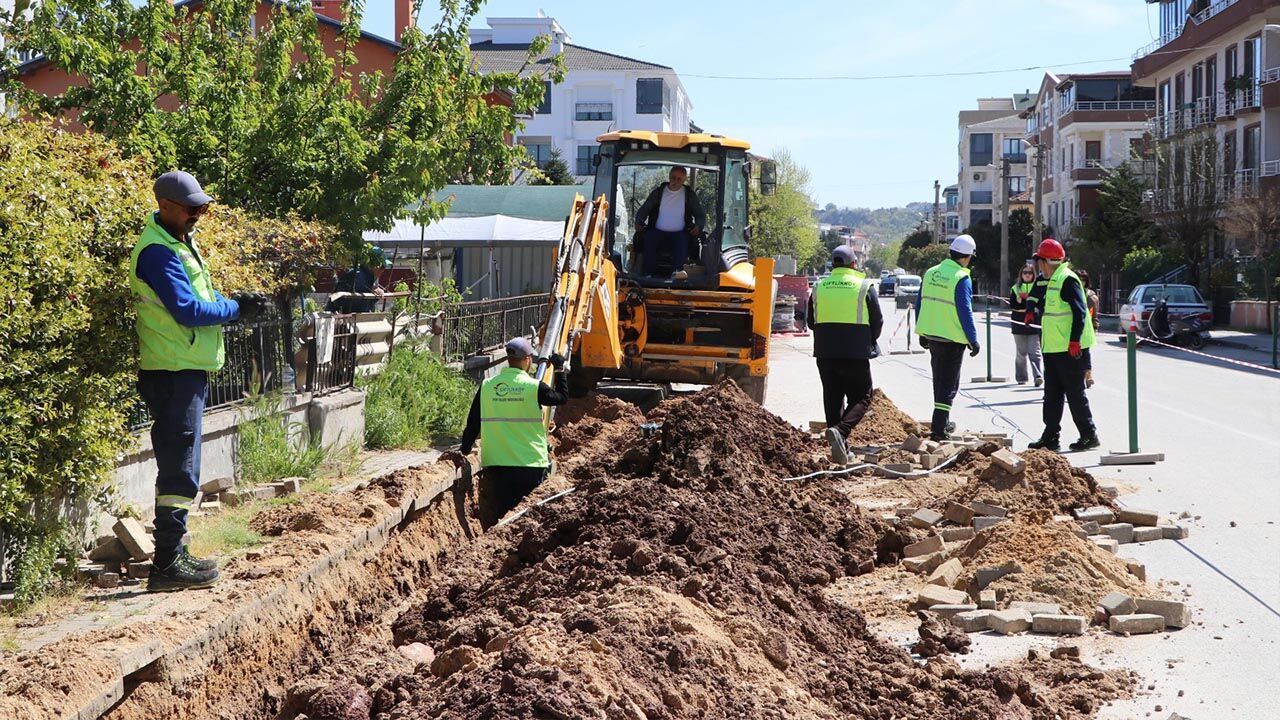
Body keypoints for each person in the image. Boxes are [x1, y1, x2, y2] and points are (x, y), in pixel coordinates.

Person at [131, 171, 267, 592]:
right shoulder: (158, 252)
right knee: (179, 468)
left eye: (201, 208)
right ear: (166, 206)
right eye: (192, 209)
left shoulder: (177, 243)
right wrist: (234, 309)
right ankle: (167, 564)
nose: (198, 215)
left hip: (181, 367)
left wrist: (231, 305)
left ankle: (176, 554)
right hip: (171, 371)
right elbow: (188, 310)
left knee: (183, 464)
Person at [447, 338, 570, 527]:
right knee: (528, 518)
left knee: (504, 516)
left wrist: (464, 450)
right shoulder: (534, 387)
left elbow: (473, 423)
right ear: (528, 359)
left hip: (498, 464)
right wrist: (560, 368)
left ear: (509, 359)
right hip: (530, 463)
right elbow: (561, 397)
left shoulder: (488, 386)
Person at [806, 246, 883, 464]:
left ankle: (840, 448)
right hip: (855, 353)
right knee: (862, 396)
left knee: (832, 397)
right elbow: (877, 321)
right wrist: (869, 341)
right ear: (854, 264)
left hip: (825, 352)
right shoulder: (864, 286)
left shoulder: (819, 286)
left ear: (833, 265)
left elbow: (811, 322)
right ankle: (840, 432)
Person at [1027, 239, 1099, 452]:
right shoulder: (1051, 280)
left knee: (1075, 393)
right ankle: (1050, 437)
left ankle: (1089, 434)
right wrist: (1032, 309)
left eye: (1040, 261)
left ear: (1047, 261)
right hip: (1053, 347)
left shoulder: (1067, 279)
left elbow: (1079, 312)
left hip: (1070, 348)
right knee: (1052, 394)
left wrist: (1075, 340)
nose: (1038, 266)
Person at [914, 234, 981, 442]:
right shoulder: (961, 277)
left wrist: (922, 331)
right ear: (967, 257)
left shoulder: (931, 272)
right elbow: (965, 310)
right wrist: (973, 339)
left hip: (933, 335)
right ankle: (939, 428)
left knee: (939, 381)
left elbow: (920, 302)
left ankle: (942, 422)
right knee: (949, 385)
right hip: (952, 338)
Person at [636, 166, 706, 280]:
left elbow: (700, 214)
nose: (675, 181)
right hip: (657, 232)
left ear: (684, 180)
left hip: (679, 233)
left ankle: (677, 272)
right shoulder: (658, 193)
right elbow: (644, 209)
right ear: (669, 177)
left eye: (679, 179)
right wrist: (638, 221)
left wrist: (699, 226)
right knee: (648, 238)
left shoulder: (689, 195)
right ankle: (648, 273)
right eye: (673, 178)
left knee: (683, 240)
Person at [1008, 264, 1044, 387]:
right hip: (1018, 323)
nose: (1027, 274)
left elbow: (1040, 304)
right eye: (1025, 272)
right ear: (1021, 274)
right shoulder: (1015, 288)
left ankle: (1038, 376)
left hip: (1034, 323)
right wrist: (1026, 303)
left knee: (1034, 352)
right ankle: (1021, 377)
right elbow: (1013, 305)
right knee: (1021, 352)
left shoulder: (1038, 287)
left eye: (1030, 272)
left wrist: (1024, 302)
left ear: (1033, 274)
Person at [328, 248, 388, 313]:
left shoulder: (370, 277)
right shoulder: (357, 276)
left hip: (358, 318)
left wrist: (376, 294)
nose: (383, 270)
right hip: (343, 318)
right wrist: (372, 293)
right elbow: (351, 303)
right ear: (374, 265)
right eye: (382, 267)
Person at [1077, 269, 1101, 388]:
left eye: (1083, 280)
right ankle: (1078, 379)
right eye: (1079, 279)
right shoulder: (1070, 293)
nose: (1081, 282)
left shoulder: (1091, 296)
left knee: (1085, 354)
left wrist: (1095, 327)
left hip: (1086, 330)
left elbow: (1095, 315)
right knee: (1075, 356)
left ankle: (1088, 376)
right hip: (1071, 329)